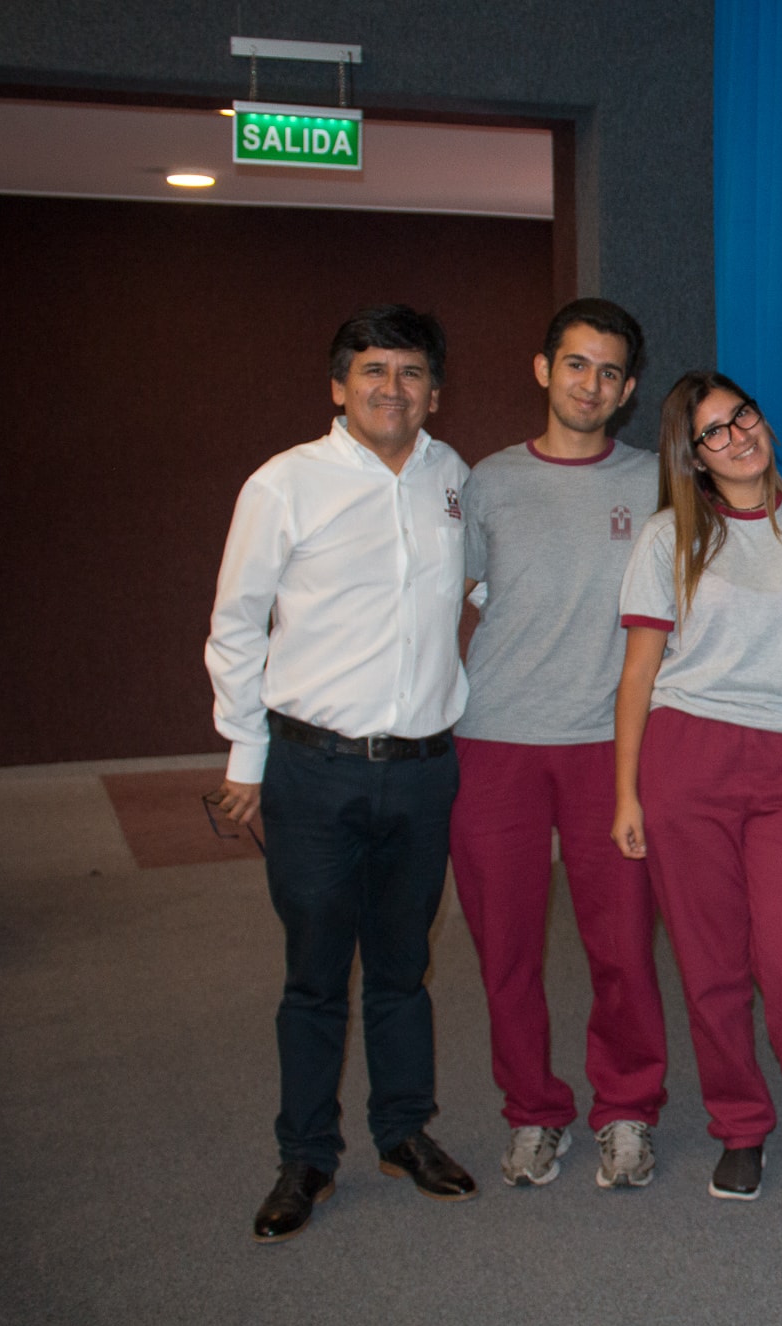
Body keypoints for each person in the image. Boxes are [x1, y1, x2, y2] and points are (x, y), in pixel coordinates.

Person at [206, 304, 478, 1242]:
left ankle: (405, 1130)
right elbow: (237, 625)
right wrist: (246, 753)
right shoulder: (285, 484)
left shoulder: (454, 481)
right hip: (312, 773)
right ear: (338, 385)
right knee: (316, 973)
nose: (390, 389)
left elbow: (484, 582)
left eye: (409, 373)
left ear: (433, 391)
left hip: (423, 773)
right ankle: (307, 1155)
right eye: (372, 371)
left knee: (405, 967)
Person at [611, 371, 782, 1203]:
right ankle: (740, 1124)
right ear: (693, 455)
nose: (735, 436)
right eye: (712, 431)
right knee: (711, 965)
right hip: (688, 761)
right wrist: (626, 794)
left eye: (742, 415)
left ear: (765, 419)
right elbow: (639, 672)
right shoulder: (666, 537)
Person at [449, 299, 670, 1192]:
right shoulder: (487, 483)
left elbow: (748, 512)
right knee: (505, 947)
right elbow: (444, 595)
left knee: (621, 943)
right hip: (494, 739)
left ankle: (625, 1109)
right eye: (576, 364)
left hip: (608, 747)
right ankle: (534, 1111)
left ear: (628, 389)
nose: (592, 384)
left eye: (611, 371)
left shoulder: (660, 481)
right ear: (544, 370)